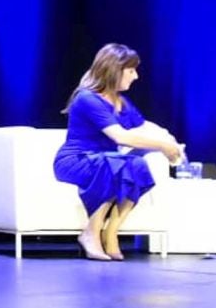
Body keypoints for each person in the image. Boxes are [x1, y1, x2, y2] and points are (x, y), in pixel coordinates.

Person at [53, 43, 183, 262]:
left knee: (136, 165)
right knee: (114, 165)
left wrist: (171, 143)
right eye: (131, 70)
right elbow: (121, 137)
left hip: (108, 161)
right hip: (76, 161)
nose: (136, 76)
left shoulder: (122, 102)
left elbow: (143, 127)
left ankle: (111, 232)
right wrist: (162, 145)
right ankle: (90, 234)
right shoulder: (87, 99)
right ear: (114, 70)